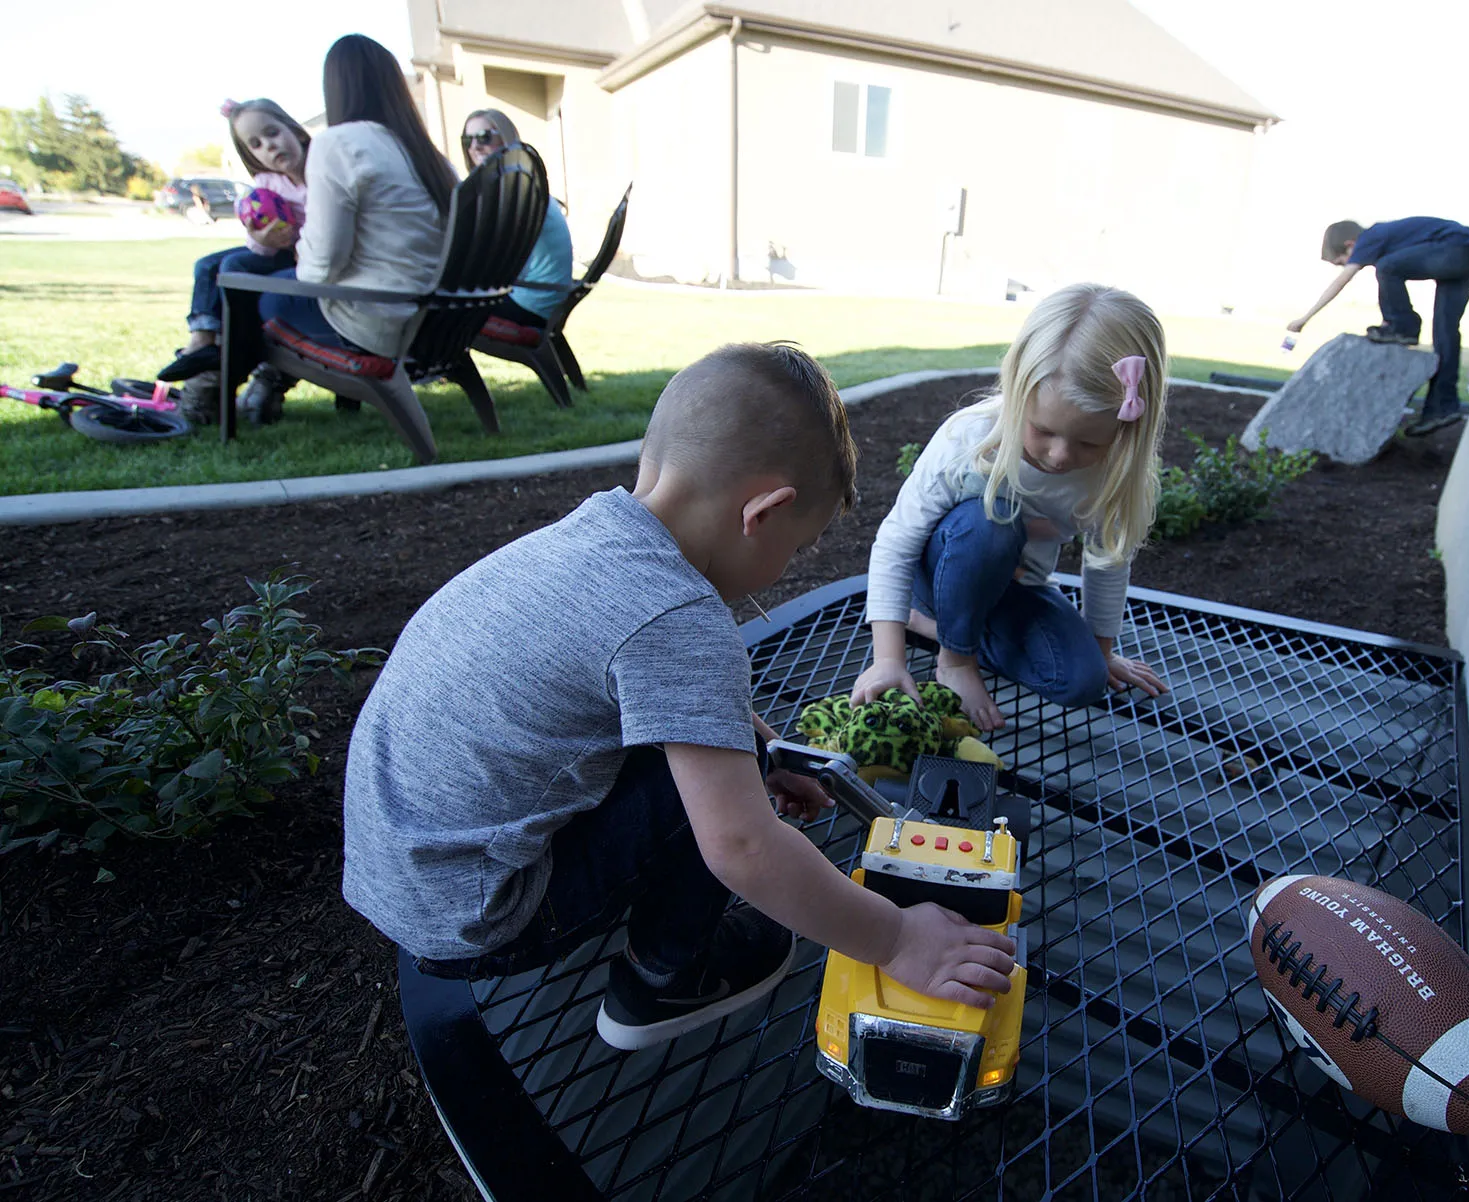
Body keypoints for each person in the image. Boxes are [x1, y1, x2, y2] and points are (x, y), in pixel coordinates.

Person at [342, 342, 1017, 1050]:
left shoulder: (587, 537)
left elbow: (644, 688)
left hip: (399, 872)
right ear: (763, 512)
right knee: (712, 805)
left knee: (718, 757)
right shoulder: (679, 618)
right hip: (480, 920)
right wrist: (899, 936)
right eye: (800, 547)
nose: (786, 569)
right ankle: (664, 980)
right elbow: (742, 847)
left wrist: (766, 749)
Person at [850, 283, 1172, 733]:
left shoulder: (1114, 471)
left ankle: (930, 626)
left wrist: (1100, 654)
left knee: (1080, 681)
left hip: (1011, 591)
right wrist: (888, 659)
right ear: (1018, 392)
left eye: (1087, 442)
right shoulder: (968, 440)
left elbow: (1107, 565)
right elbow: (895, 543)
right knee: (991, 522)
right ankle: (954, 656)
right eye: (1042, 430)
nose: (1060, 456)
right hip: (943, 573)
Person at [197, 34, 457, 425]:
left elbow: (322, 266)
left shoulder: (339, 143)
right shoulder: (427, 154)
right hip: (436, 321)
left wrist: (299, 257)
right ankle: (232, 389)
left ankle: (213, 396)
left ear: (335, 86)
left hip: (378, 325)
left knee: (247, 290)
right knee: (241, 273)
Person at [1287, 217, 1469, 437]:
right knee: (1445, 330)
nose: (1347, 265)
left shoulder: (1369, 237)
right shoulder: (1387, 238)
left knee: (1386, 267)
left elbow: (1342, 281)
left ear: (1350, 244)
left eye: (1342, 261)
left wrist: (1305, 318)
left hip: (1456, 246)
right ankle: (1442, 407)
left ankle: (1402, 327)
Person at [157, 99, 310, 385]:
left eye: (273, 133)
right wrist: (259, 239)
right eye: (256, 144)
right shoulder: (267, 184)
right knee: (206, 265)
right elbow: (262, 248)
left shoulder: (321, 175)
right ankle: (201, 342)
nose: (269, 146)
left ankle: (238, 349)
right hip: (277, 250)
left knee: (234, 264)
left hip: (305, 256)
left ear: (297, 131)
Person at [459, 108, 573, 329]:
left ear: (506, 138)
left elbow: (493, 262)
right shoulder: (522, 180)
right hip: (542, 297)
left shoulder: (512, 190)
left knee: (432, 314)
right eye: (467, 140)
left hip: (530, 304)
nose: (475, 146)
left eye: (484, 137)